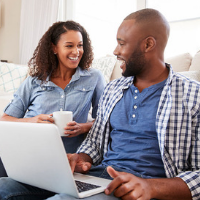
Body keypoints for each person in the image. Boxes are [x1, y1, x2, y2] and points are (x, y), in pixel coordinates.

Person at [0, 8, 199, 200]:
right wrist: (82, 158)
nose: (115, 51)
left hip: (140, 186)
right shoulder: (114, 89)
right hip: (97, 177)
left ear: (148, 45)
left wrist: (151, 187)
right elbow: (95, 142)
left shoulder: (192, 95)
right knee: (4, 187)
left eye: (121, 43)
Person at [0, 21, 106, 176]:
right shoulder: (34, 81)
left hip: (67, 156)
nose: (76, 51)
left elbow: (105, 120)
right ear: (54, 48)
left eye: (80, 45)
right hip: (29, 151)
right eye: (69, 46)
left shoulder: (94, 78)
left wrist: (83, 127)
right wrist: (33, 120)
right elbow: (5, 119)